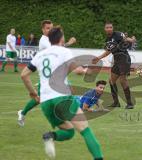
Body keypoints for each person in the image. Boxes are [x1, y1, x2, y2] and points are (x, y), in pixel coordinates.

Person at [20, 26, 104, 160]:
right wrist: (85, 70)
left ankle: (50, 136)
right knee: (85, 130)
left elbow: (24, 75)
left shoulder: (40, 55)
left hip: (46, 102)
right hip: (62, 97)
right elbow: (76, 70)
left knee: (69, 131)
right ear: (61, 38)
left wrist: (33, 93)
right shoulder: (63, 51)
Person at [17, 20, 77, 127]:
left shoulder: (50, 39)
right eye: (47, 28)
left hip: (53, 75)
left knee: (44, 98)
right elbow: (58, 49)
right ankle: (22, 112)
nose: (50, 30)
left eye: (51, 28)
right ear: (43, 30)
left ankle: (66, 114)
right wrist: (69, 43)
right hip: (48, 77)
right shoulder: (44, 40)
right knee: (40, 99)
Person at [92, 22, 136, 109]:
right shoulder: (107, 39)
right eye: (107, 27)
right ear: (105, 29)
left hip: (124, 59)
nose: (109, 29)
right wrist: (98, 58)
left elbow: (127, 39)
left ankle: (130, 103)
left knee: (123, 80)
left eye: (110, 27)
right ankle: (116, 103)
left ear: (113, 28)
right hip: (117, 60)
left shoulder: (118, 34)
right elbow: (108, 51)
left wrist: (132, 39)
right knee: (111, 80)